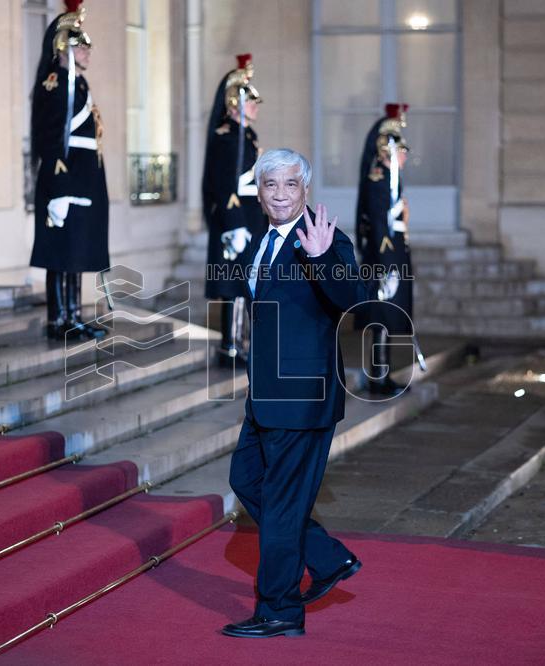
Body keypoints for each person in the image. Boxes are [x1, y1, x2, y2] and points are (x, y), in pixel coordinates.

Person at [223, 149, 367, 639]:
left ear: (306, 190)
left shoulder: (326, 239)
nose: (280, 195)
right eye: (271, 185)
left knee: (282, 506)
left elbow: (352, 300)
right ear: (259, 192)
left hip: (302, 397)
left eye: (290, 185)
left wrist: (323, 256)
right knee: (245, 478)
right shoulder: (264, 240)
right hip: (265, 393)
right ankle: (326, 558)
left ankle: (280, 608)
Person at [29, 0, 109, 341]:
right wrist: (59, 188)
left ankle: (74, 315)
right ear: (65, 45)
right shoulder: (55, 82)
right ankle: (57, 318)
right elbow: (49, 137)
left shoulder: (78, 84)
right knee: (60, 251)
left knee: (76, 249)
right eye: (82, 44)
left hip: (83, 176)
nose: (89, 49)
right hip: (65, 177)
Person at [201, 54, 266, 365]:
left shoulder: (248, 135)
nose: (255, 105)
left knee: (246, 282)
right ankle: (230, 345)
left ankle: (242, 342)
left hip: (250, 216)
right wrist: (235, 223)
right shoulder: (226, 136)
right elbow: (223, 185)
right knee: (233, 283)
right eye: (250, 99)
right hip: (235, 219)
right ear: (234, 102)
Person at [355, 103, 413, 395]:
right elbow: (378, 226)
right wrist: (387, 262)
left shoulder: (392, 181)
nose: (404, 156)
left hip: (393, 255)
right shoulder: (377, 181)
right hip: (383, 258)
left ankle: (384, 372)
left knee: (389, 316)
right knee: (382, 315)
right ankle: (377, 375)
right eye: (400, 151)